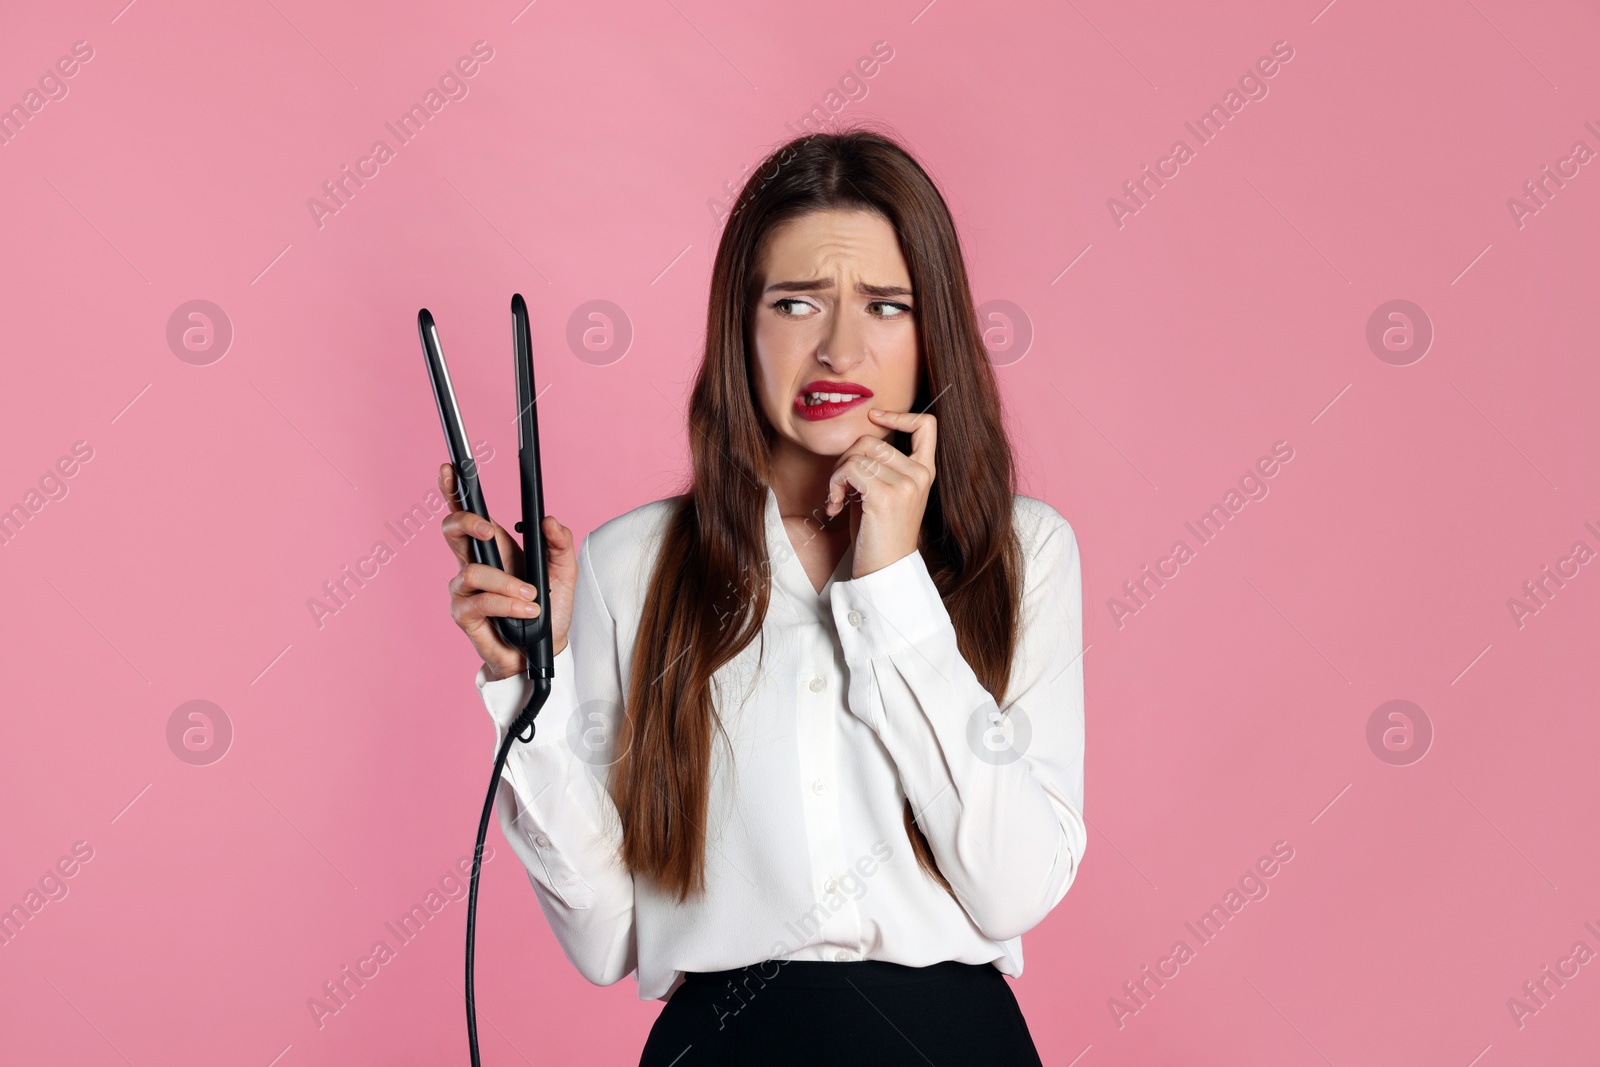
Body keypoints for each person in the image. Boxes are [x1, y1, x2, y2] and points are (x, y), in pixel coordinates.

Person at [437, 127, 1085, 1066]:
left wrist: (893, 581)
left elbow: (1014, 885)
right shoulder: (632, 565)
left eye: (886, 306)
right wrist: (529, 690)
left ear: (933, 327)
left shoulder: (1023, 552)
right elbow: (608, 937)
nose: (838, 348)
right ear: (740, 327)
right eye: (794, 303)